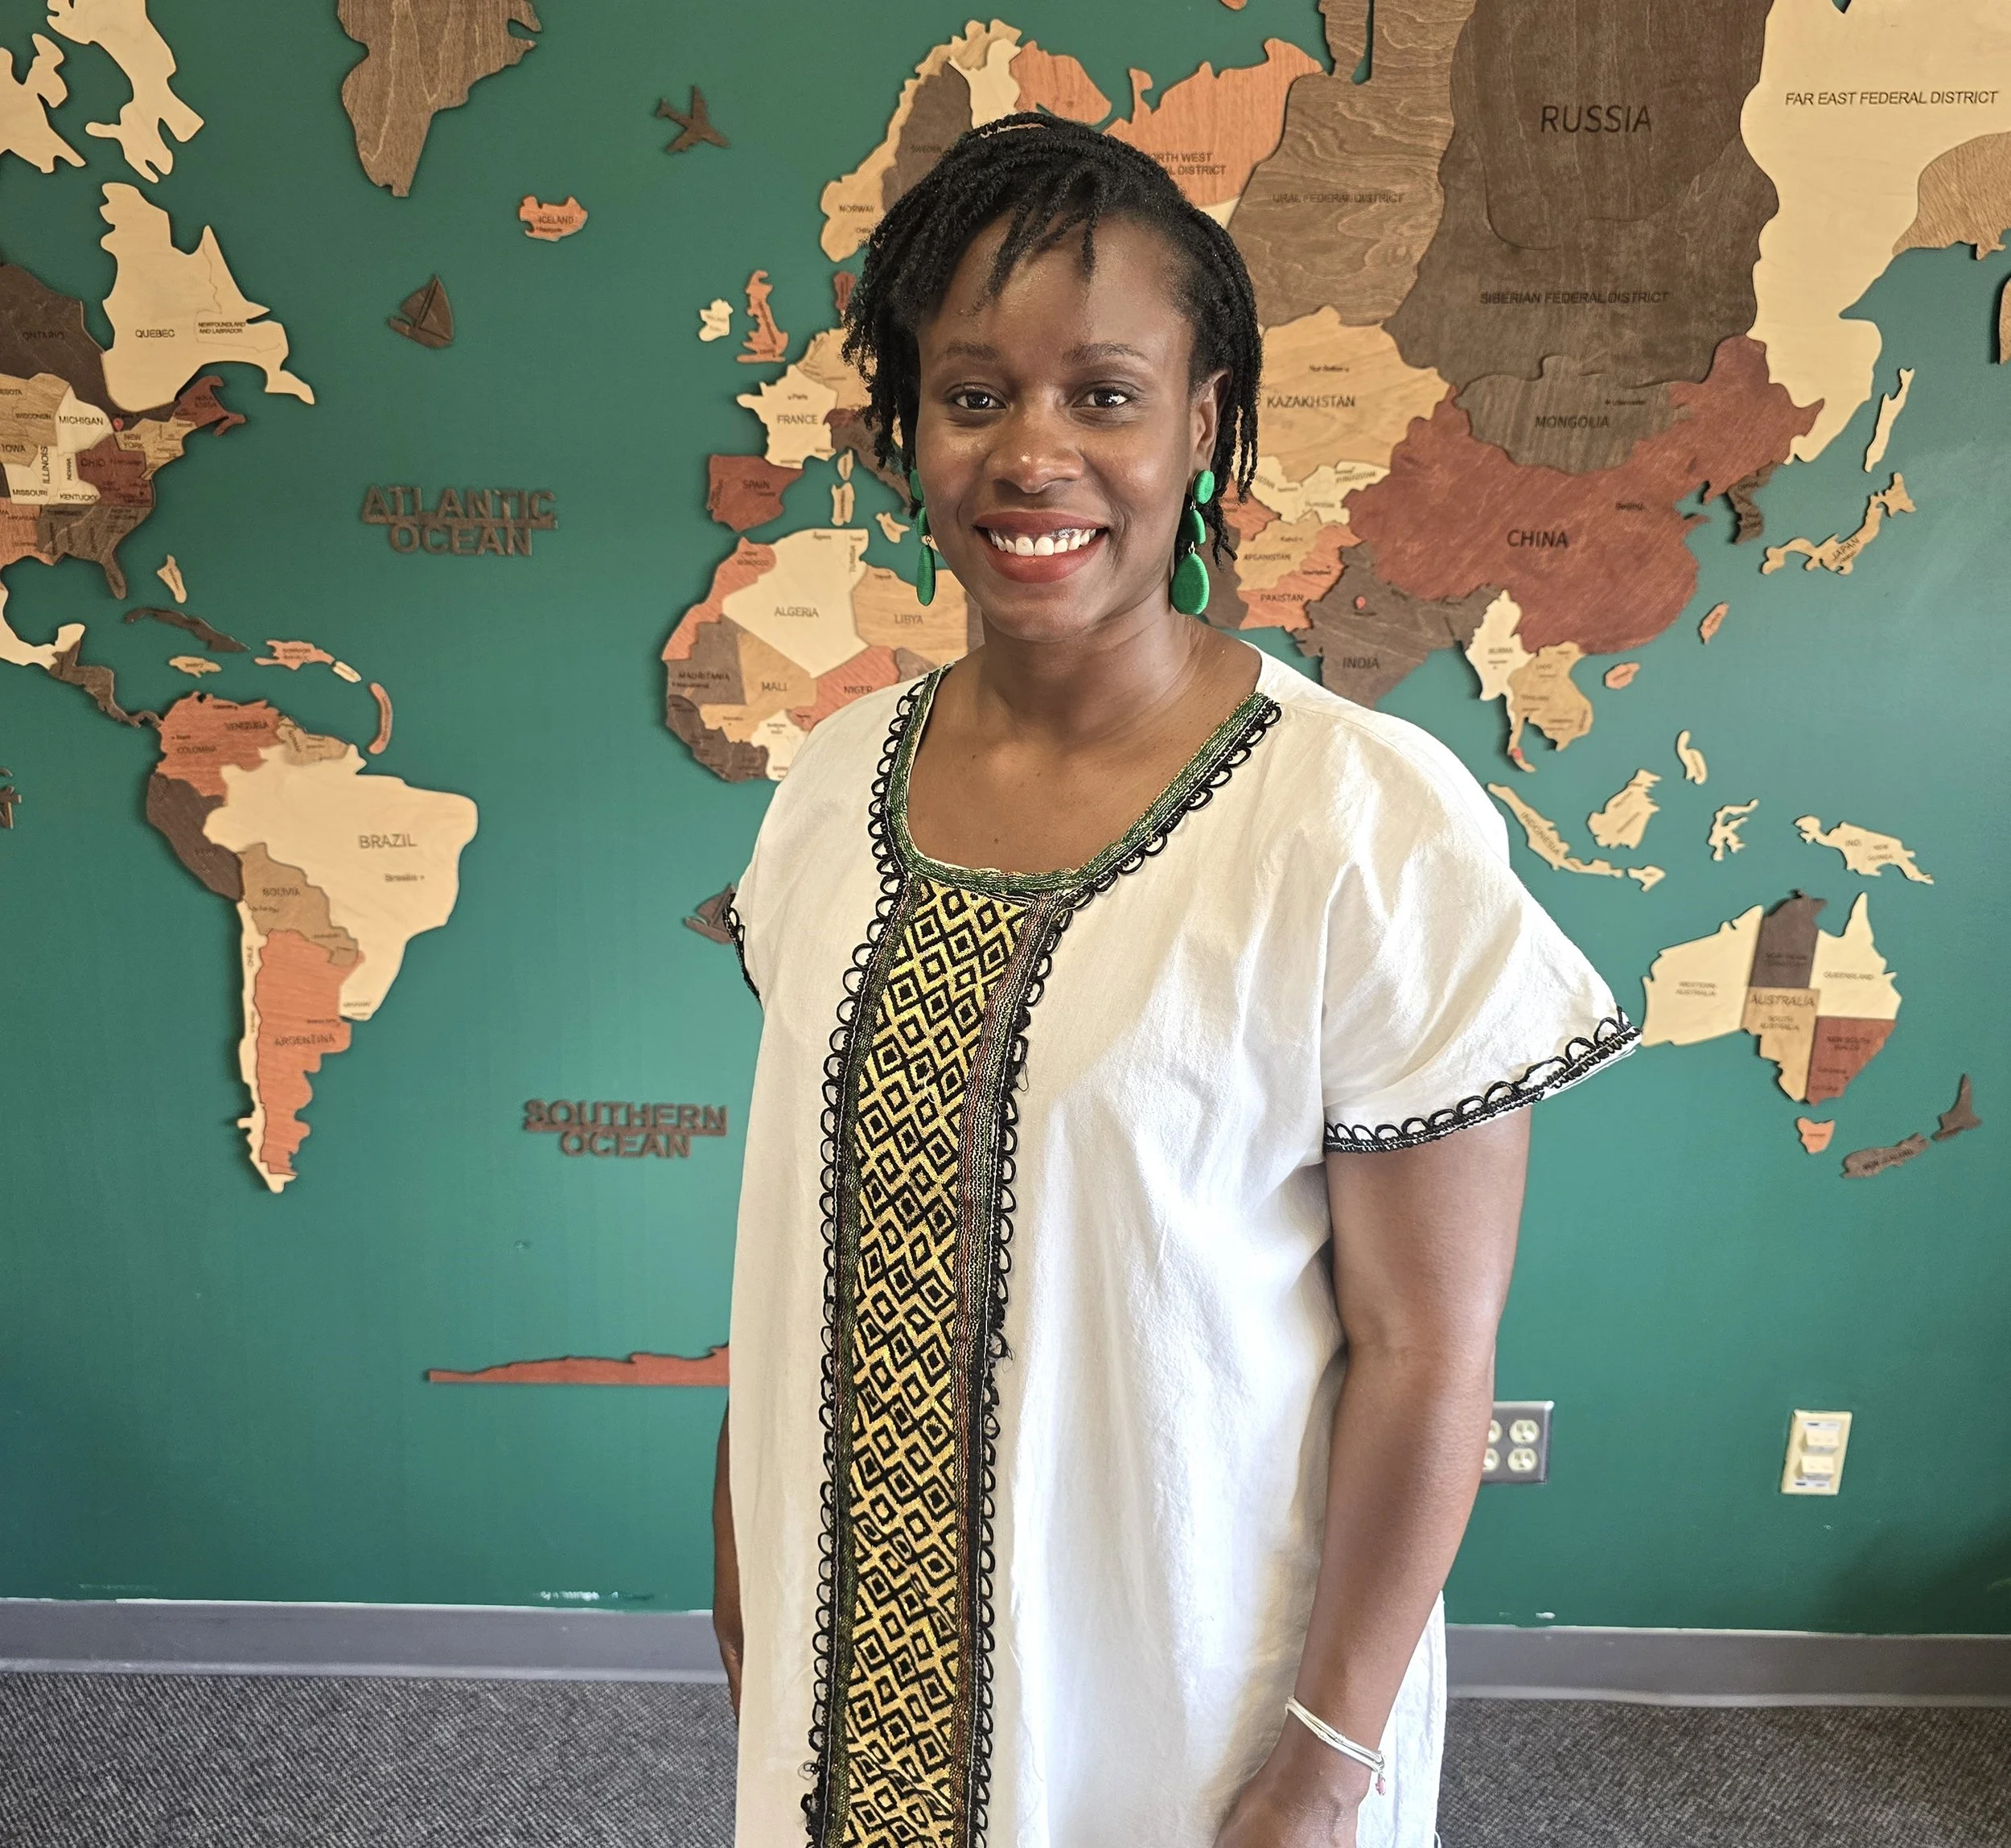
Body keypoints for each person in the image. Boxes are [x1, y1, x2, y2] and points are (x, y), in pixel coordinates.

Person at [712, 115, 1635, 1848]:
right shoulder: (829, 790)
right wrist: (751, 1595)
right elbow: (806, 1246)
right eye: (972, 395)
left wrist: (1323, 1767)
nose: (1032, 453)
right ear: (906, 426)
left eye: (1105, 395)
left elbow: (1425, 1350)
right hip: (849, 1699)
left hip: (1190, 1723)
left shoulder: (1358, 820)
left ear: (1201, 423)